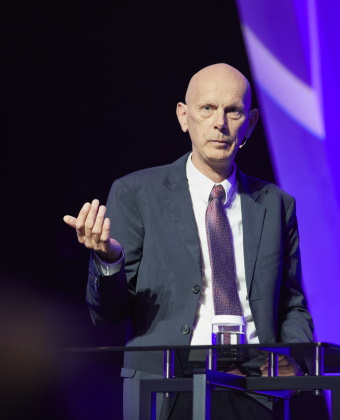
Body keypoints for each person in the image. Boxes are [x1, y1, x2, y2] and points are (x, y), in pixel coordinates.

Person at [63, 63, 314, 419]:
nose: (220, 123)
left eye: (233, 111)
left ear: (251, 122)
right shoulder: (136, 193)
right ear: (184, 116)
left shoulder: (276, 204)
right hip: (166, 387)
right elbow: (106, 314)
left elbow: (292, 305)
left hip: (258, 388)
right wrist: (108, 260)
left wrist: (295, 362)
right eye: (207, 108)